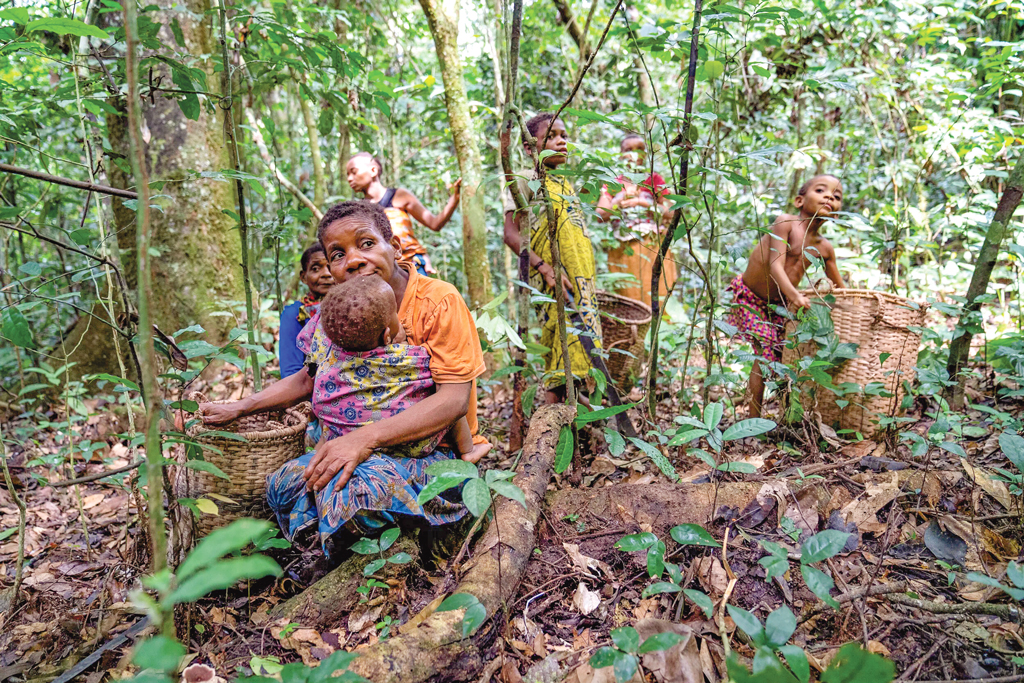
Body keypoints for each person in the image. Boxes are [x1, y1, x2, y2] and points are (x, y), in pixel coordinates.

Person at [199, 200, 488, 556]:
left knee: (355, 492)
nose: (352, 260)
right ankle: (326, 543)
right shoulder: (333, 311)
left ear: (395, 247)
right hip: (353, 446)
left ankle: (400, 548)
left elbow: (454, 400)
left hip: (431, 452)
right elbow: (308, 379)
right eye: (337, 254)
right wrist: (242, 406)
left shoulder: (438, 301)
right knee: (284, 483)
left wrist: (363, 440)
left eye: (366, 244)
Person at [315, 273, 489, 463]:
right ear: (387, 335)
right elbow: (452, 401)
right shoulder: (413, 358)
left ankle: (318, 452)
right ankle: (468, 449)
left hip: (343, 436)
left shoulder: (329, 361)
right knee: (444, 397)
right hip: (411, 445)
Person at [503, 113, 602, 404]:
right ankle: (550, 429)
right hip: (550, 278)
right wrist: (545, 268)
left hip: (580, 278)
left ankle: (583, 424)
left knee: (586, 349)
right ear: (529, 148)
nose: (562, 142)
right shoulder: (524, 181)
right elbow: (510, 234)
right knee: (563, 345)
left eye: (564, 135)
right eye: (553, 136)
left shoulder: (565, 184)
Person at [728, 173, 846, 417]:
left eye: (835, 196)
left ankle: (787, 414)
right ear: (799, 201)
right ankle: (753, 420)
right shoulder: (785, 223)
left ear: (836, 213)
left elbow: (841, 289)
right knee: (765, 350)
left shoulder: (825, 248)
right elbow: (775, 264)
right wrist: (795, 296)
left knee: (789, 356)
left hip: (781, 305)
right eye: (821, 191)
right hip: (750, 298)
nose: (828, 198)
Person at [346, 152, 461, 276]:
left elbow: (434, 223)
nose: (349, 179)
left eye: (354, 172)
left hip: (413, 265)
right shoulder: (358, 210)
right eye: (347, 175)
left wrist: (454, 199)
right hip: (382, 271)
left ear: (373, 170)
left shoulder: (399, 196)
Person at [596, 134, 677, 307]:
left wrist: (644, 203)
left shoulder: (654, 179)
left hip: (653, 246)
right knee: (629, 299)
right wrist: (619, 201)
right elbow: (600, 214)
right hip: (622, 249)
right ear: (621, 154)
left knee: (658, 292)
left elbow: (672, 213)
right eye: (629, 150)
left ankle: (659, 332)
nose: (635, 154)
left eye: (640, 149)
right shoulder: (612, 182)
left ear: (646, 154)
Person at [278, 244, 334, 377]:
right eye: (315, 269)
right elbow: (290, 371)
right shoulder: (295, 314)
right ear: (303, 277)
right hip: (311, 389)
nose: (326, 274)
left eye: (330, 267)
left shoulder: (354, 307)